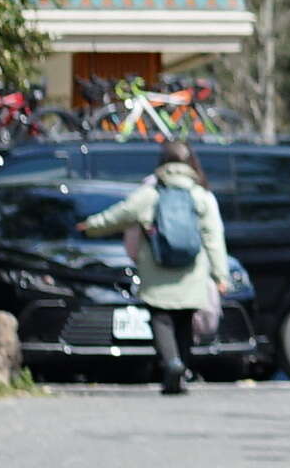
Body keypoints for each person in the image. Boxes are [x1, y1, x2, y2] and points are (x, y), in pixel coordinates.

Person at [78, 139, 230, 396]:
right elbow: (214, 238)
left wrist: (90, 226)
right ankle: (181, 371)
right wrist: (220, 275)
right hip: (191, 272)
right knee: (184, 321)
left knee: (161, 319)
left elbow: (120, 214)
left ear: (162, 162)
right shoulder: (202, 196)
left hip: (157, 270)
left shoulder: (151, 193)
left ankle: (171, 363)